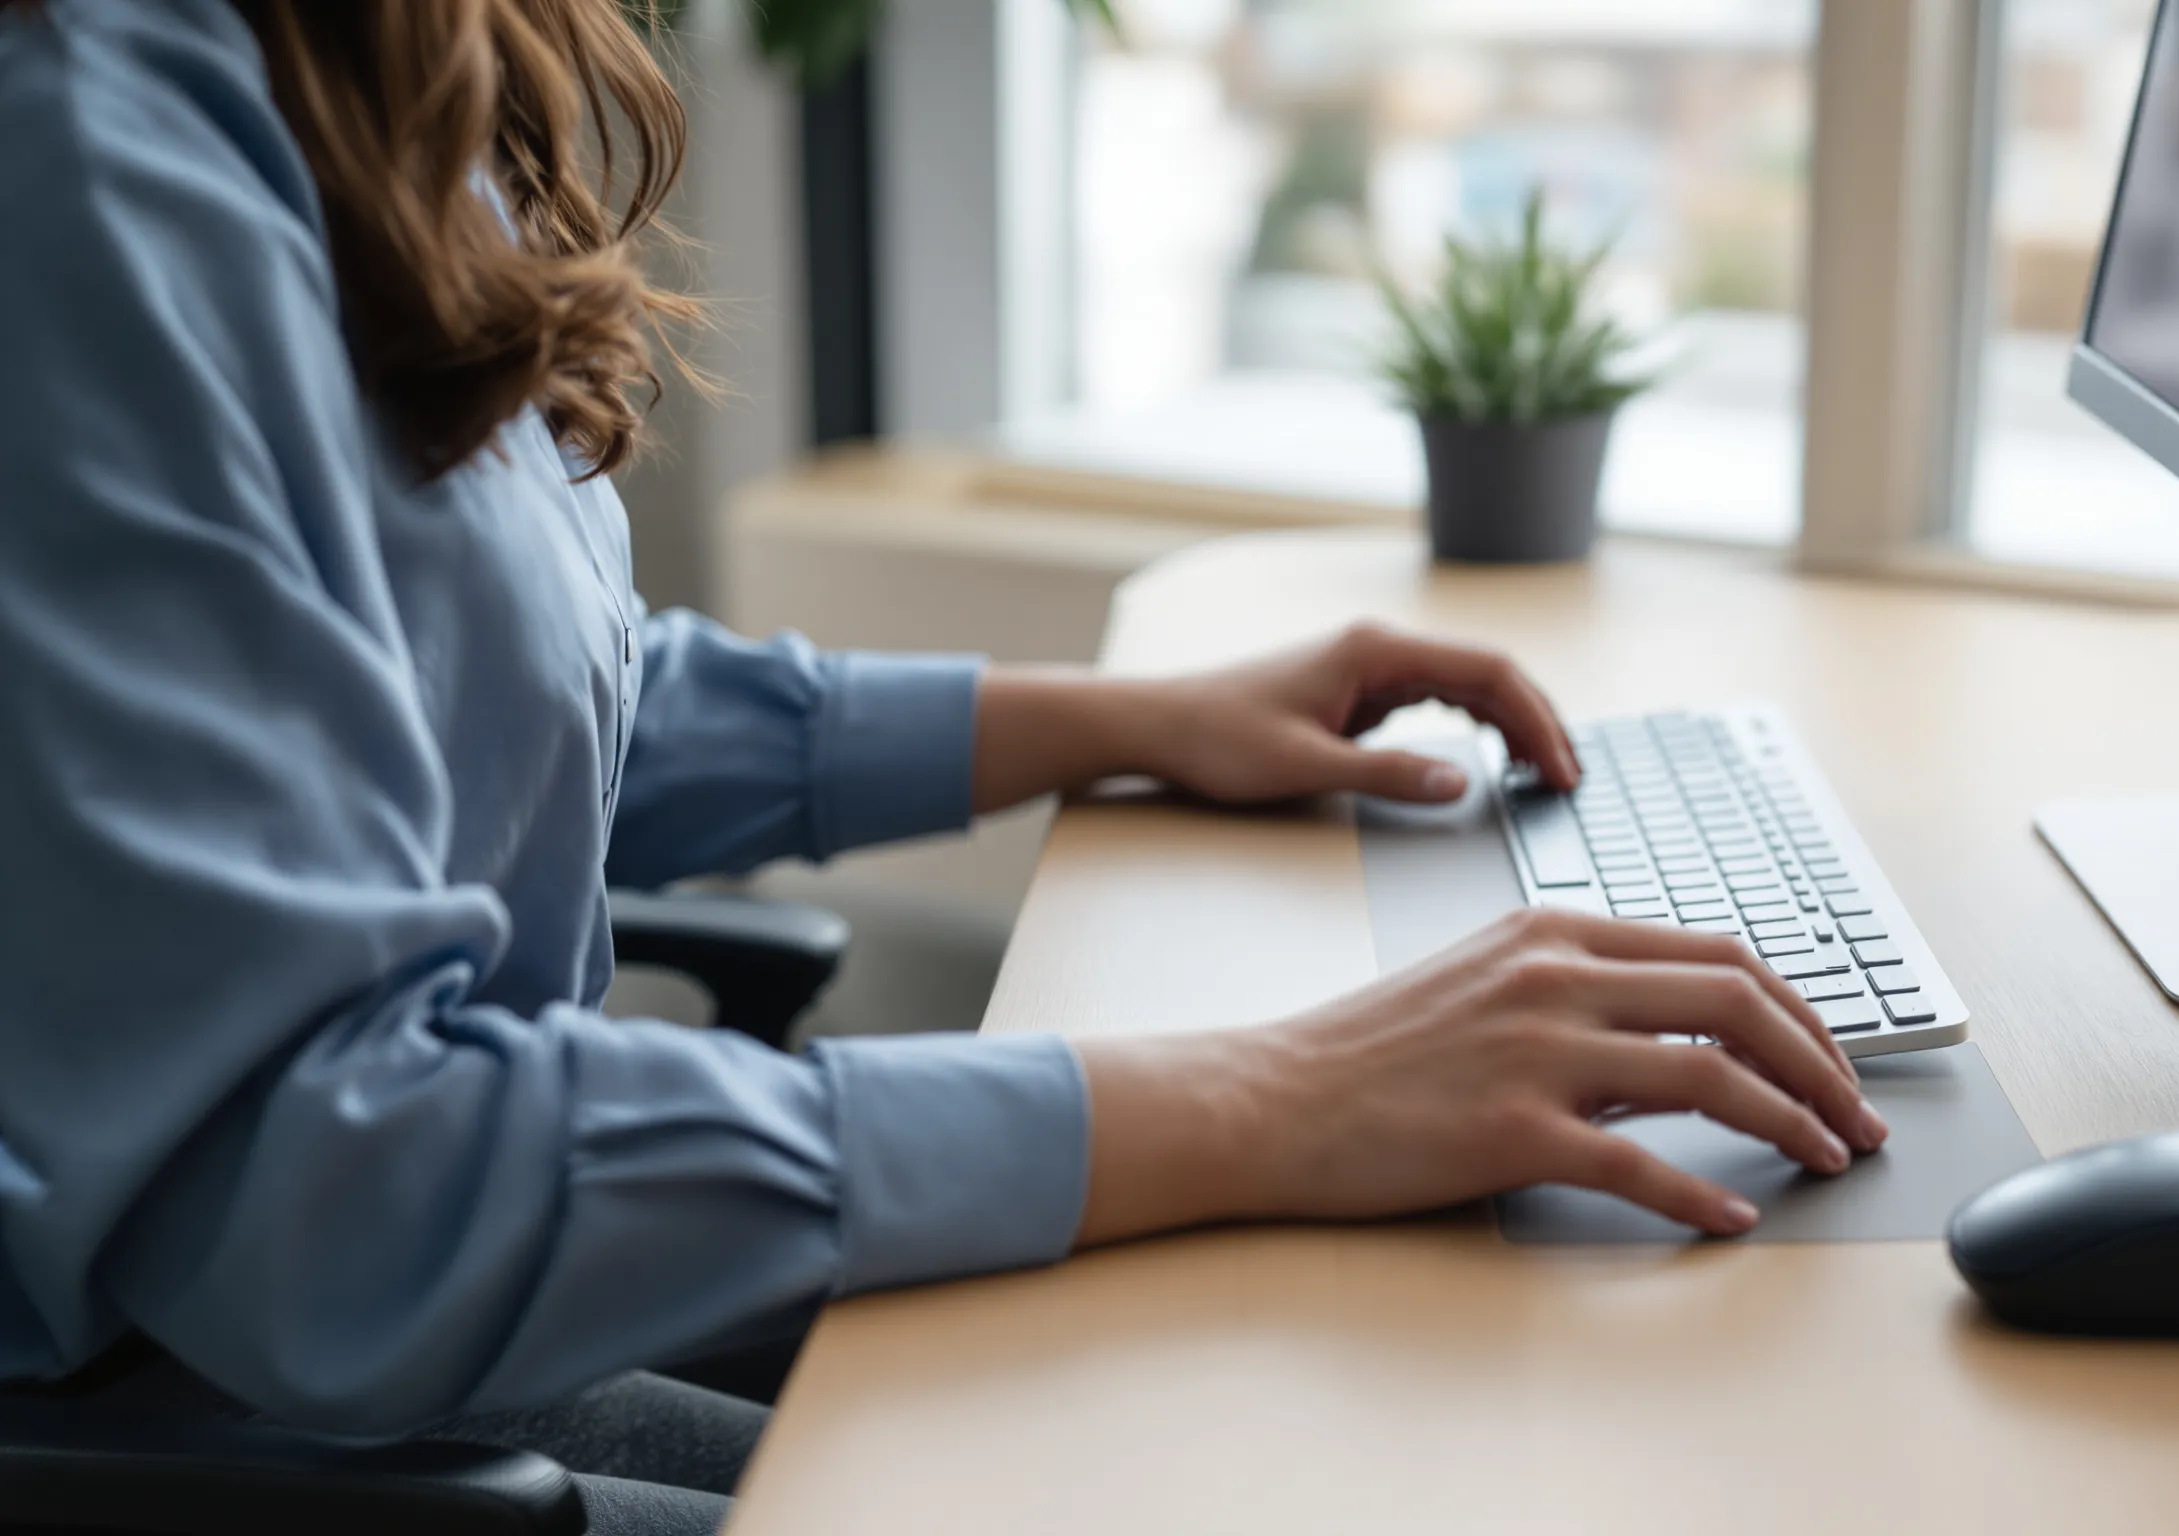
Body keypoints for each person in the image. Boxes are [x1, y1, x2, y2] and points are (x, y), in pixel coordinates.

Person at [0, 2, 1886, 1531]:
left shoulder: (343, 70)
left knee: (1251, 1396)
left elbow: (468, 707)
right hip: (224, 1384)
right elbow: (331, 1193)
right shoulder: (87, 159)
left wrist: (1128, 717)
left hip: (389, 1316)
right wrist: (1269, 1094)